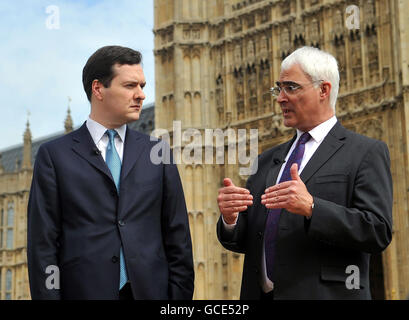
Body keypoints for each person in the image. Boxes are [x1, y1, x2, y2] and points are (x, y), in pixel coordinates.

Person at [217, 46, 393, 300]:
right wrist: (230, 219)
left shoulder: (364, 152)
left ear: (324, 89)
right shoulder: (266, 161)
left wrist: (312, 207)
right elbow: (249, 239)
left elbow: (377, 231)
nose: (280, 98)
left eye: (291, 87)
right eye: (279, 89)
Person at [27, 45, 194, 300]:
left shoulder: (158, 151)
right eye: (130, 86)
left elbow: (178, 240)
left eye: (142, 86)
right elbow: (43, 246)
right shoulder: (54, 156)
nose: (141, 95)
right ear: (98, 89)